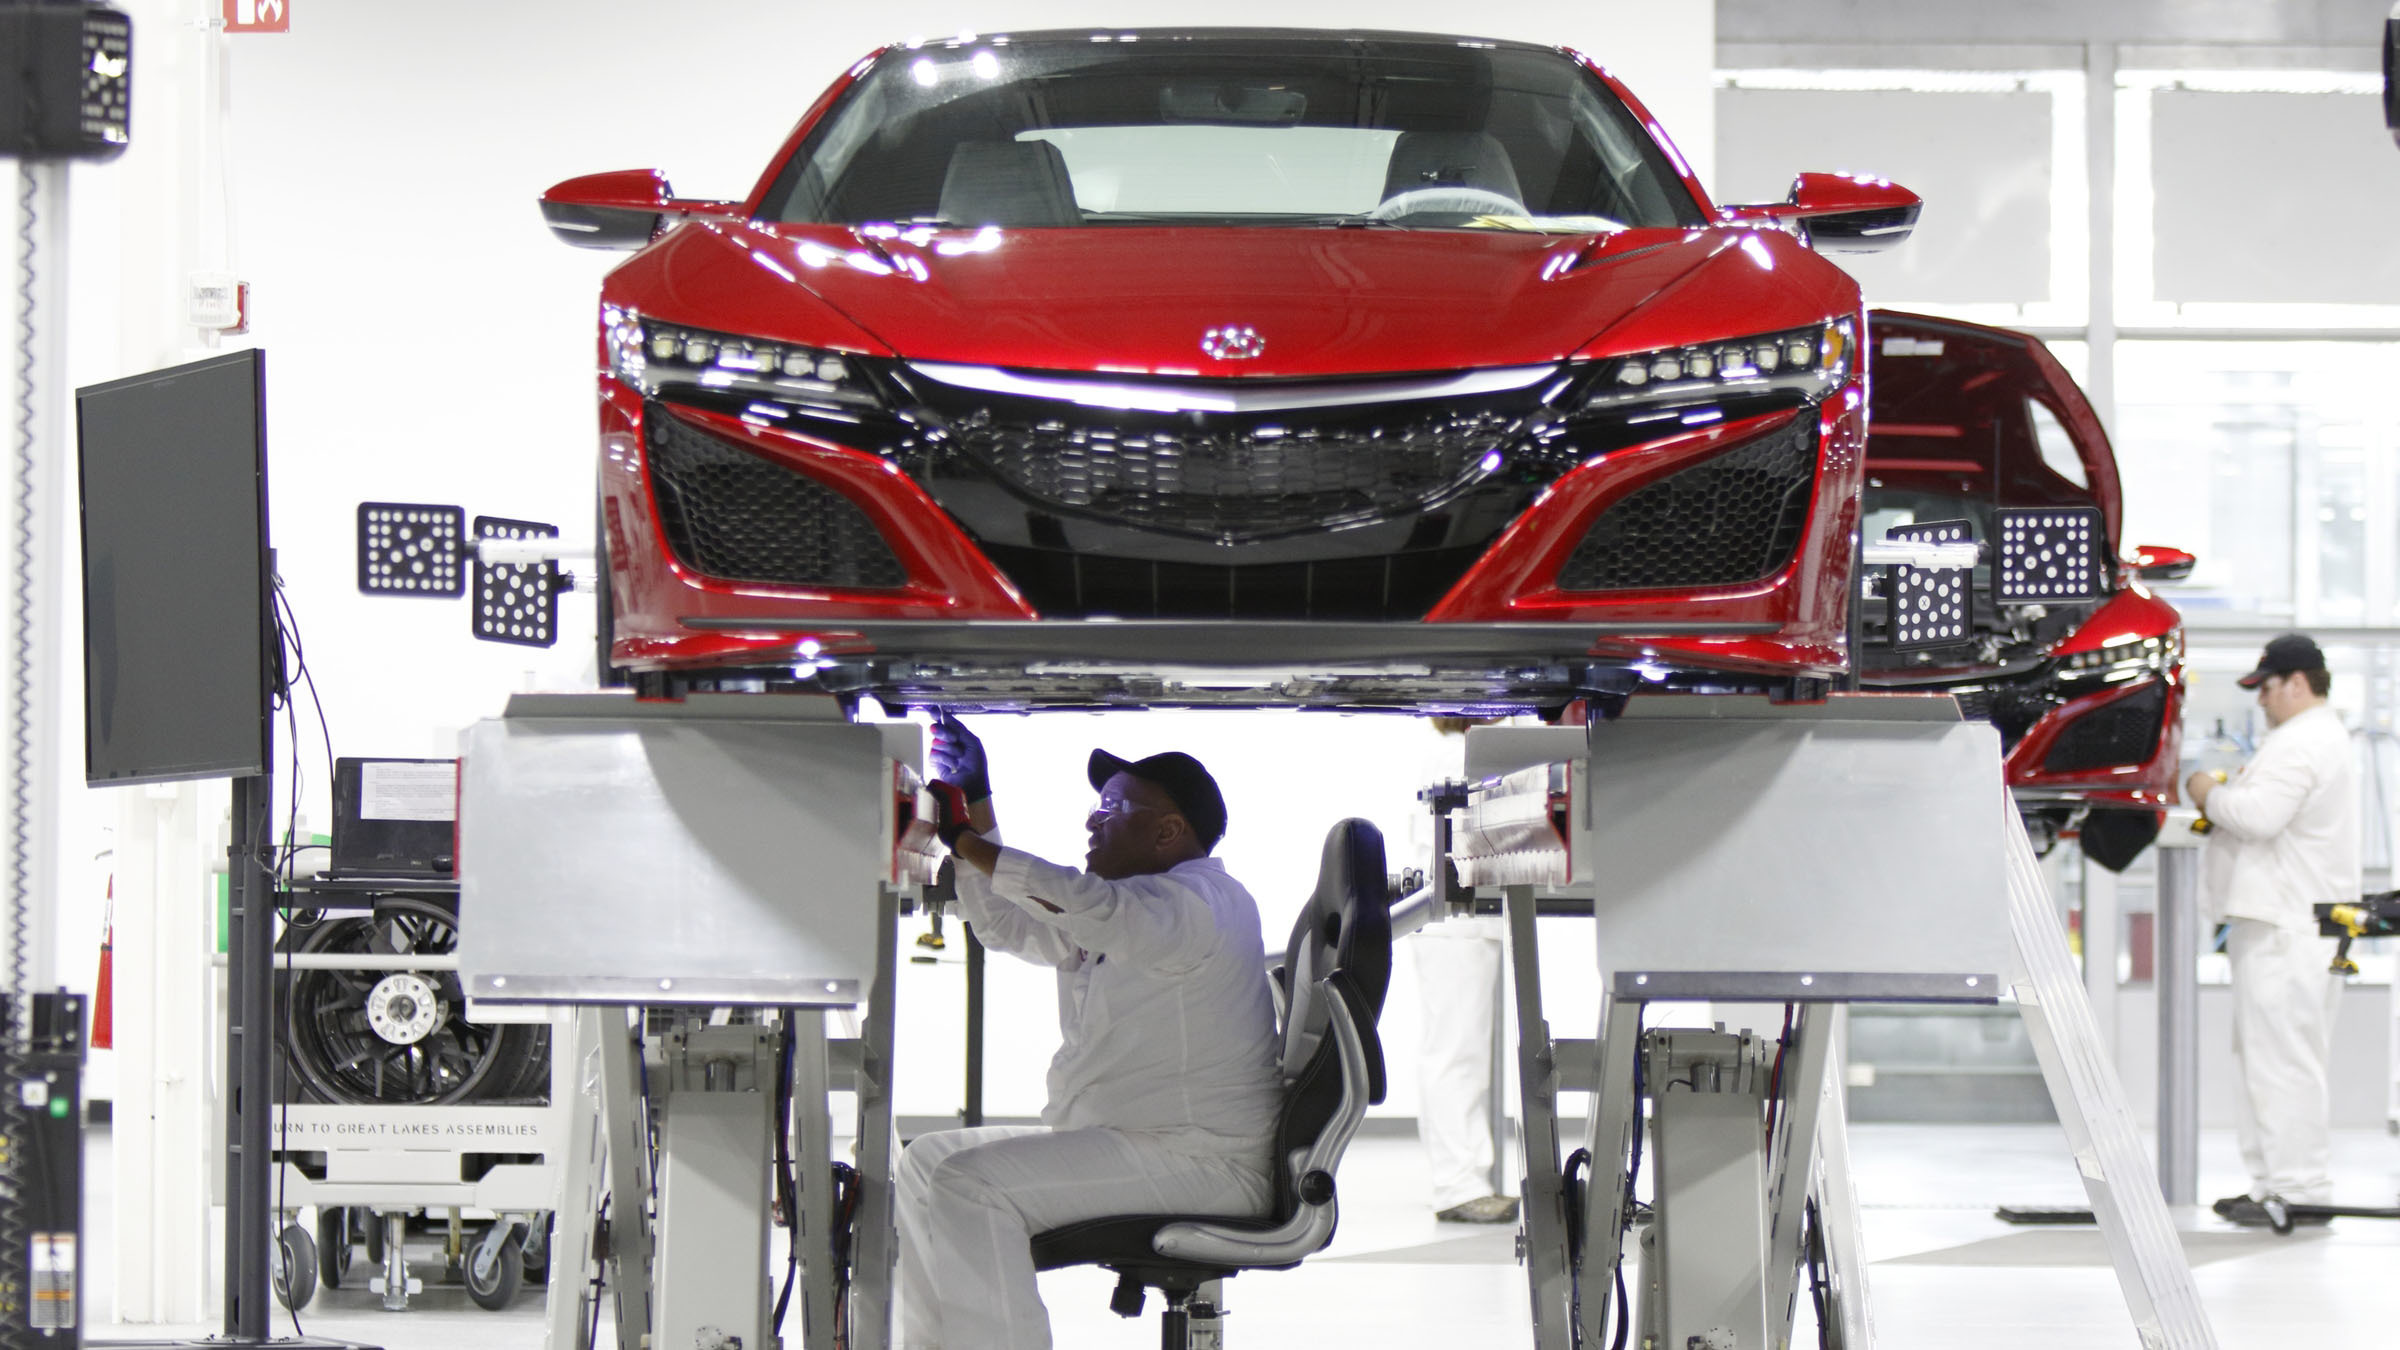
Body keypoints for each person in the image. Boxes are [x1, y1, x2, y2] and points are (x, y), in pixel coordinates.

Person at [896, 713, 1282, 1350]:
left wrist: (966, 841)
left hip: (1198, 1161)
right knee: (926, 1162)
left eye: (1113, 806)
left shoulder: (1197, 904)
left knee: (970, 1184)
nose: (1091, 820)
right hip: (1138, 1144)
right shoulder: (1137, 909)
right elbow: (1006, 925)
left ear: (1169, 830)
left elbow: (1083, 903)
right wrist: (978, 803)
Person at [2184, 633, 2359, 1228]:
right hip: (2288, 923)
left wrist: (2205, 790)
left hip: (2288, 926)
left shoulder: (2302, 741)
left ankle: (2300, 1189)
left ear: (2298, 681)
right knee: (2269, 1058)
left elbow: (2257, 817)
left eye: (2266, 688)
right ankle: (2275, 1184)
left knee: (2283, 1060)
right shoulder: (2314, 739)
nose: (2260, 701)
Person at [1409, 716, 1517, 1225]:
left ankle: (1466, 1177)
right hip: (1457, 920)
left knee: (1459, 1051)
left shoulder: (1460, 750)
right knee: (1456, 1053)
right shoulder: (1459, 754)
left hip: (1466, 919)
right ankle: (1458, 1184)